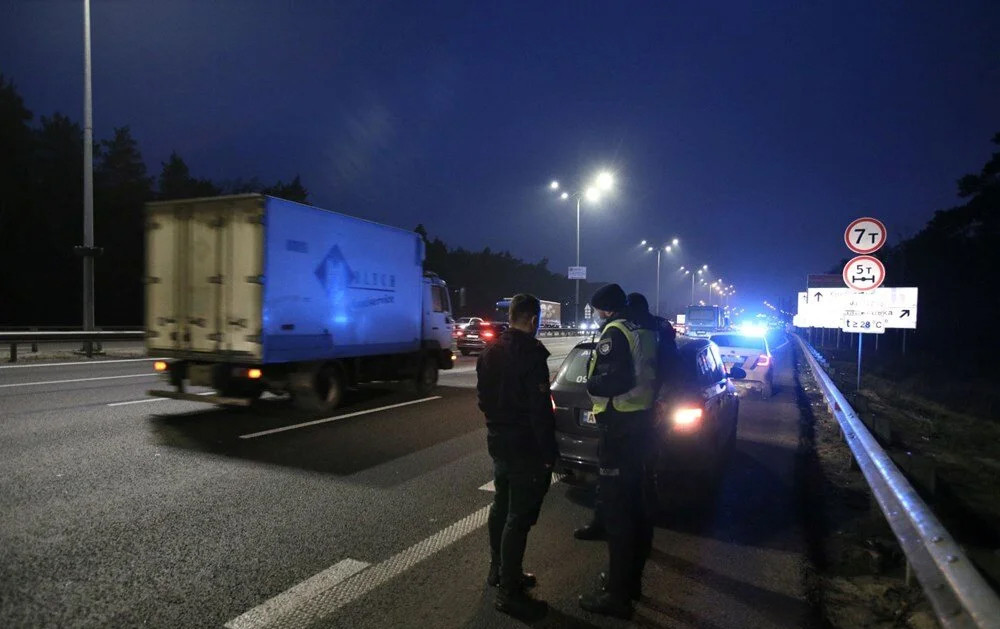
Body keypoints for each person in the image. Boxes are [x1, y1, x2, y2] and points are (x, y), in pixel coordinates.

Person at [578, 283, 658, 619]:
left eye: (598, 310)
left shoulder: (616, 331)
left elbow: (614, 380)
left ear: (606, 309)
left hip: (620, 427)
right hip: (641, 425)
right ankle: (630, 584)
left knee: (617, 514)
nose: (597, 316)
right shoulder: (646, 329)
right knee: (637, 510)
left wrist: (590, 382)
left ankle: (617, 596)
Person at [573, 292, 679, 543]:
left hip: (622, 415)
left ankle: (620, 534)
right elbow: (667, 367)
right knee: (637, 474)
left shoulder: (625, 330)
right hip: (643, 411)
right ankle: (637, 527)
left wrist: (592, 384)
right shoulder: (654, 329)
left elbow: (618, 377)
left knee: (615, 479)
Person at [476, 293, 558, 621]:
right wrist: (549, 453)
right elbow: (539, 411)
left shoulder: (490, 351)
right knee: (519, 516)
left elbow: (482, 399)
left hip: (498, 439)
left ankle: (499, 569)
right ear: (533, 320)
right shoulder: (532, 355)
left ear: (511, 316)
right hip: (525, 444)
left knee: (502, 503)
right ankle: (509, 592)